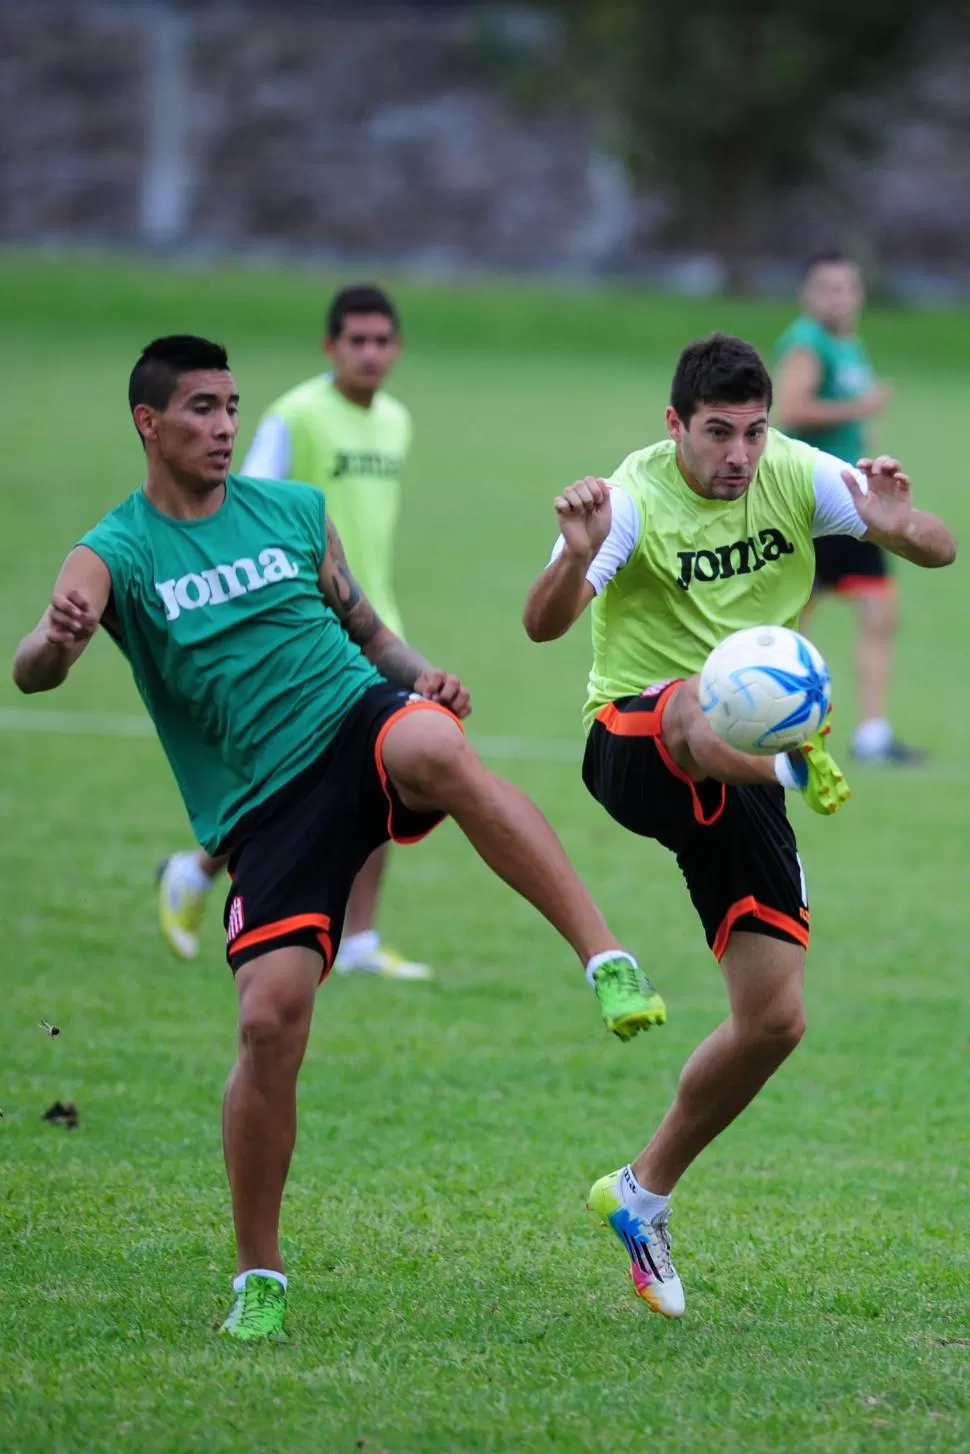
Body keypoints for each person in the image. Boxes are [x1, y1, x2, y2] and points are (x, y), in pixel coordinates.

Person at [13, 335, 665, 1342]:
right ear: (149, 422)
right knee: (269, 1025)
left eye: (231, 405)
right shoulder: (116, 550)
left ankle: (605, 956)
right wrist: (54, 640)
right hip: (265, 806)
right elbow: (33, 668)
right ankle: (258, 1272)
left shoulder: (292, 511)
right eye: (199, 408)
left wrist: (425, 670)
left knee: (438, 744)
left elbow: (369, 636)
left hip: (356, 718)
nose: (225, 425)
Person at [523, 333, 955, 1318]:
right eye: (717, 432)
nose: (739, 455)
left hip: (745, 767)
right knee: (692, 709)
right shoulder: (628, 497)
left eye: (753, 432)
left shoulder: (798, 471)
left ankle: (641, 1192)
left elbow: (938, 545)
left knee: (774, 1018)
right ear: (674, 424)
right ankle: (792, 753)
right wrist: (578, 557)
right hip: (637, 735)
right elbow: (540, 624)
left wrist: (892, 525)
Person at [157, 284, 430, 978]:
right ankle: (197, 874)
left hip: (374, 623)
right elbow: (240, 503)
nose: (370, 353)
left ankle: (359, 940)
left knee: (388, 769)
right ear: (330, 345)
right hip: (306, 631)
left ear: (397, 348)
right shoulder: (296, 416)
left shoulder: (396, 420)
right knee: (302, 775)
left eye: (381, 340)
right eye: (355, 340)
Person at [774, 252, 922, 764]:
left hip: (856, 504)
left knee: (879, 612)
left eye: (847, 287)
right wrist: (864, 408)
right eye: (828, 288)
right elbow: (791, 408)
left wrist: (866, 432)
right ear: (808, 296)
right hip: (818, 501)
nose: (839, 297)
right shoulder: (806, 344)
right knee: (790, 624)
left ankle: (873, 734)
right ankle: (780, 727)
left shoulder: (849, 343)